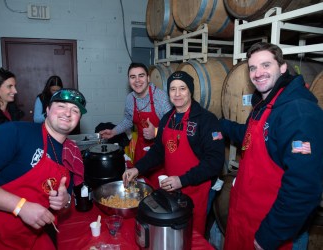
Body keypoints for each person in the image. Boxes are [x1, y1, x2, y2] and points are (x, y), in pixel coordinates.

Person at [221, 42, 323, 250]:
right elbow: (251, 137)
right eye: (253, 68)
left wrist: (270, 235)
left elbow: (303, 187)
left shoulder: (298, 112)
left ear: (283, 67)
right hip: (245, 219)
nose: (258, 73)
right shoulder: (266, 104)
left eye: (266, 65)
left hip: (270, 232)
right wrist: (220, 125)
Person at [0, 88, 87, 249]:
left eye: (75, 110)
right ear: (47, 110)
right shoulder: (15, 132)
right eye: (61, 106)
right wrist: (20, 206)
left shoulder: (71, 153)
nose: (68, 113)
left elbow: (66, 200)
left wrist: (65, 201)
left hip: (31, 237)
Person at [123, 71, 225, 235]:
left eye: (182, 88)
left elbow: (215, 162)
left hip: (197, 189)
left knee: (192, 235)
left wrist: (182, 180)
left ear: (190, 91)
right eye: (172, 89)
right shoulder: (167, 119)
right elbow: (158, 151)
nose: (177, 94)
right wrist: (137, 168)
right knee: (174, 233)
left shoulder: (206, 120)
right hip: (173, 189)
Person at [99, 62, 172, 189]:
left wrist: (155, 132)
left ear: (148, 78)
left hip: (160, 153)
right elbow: (128, 120)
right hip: (140, 149)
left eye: (141, 76)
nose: (137, 80)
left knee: (157, 190)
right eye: (133, 77)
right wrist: (114, 132)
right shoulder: (129, 99)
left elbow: (173, 128)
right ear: (129, 80)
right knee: (139, 187)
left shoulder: (161, 98)